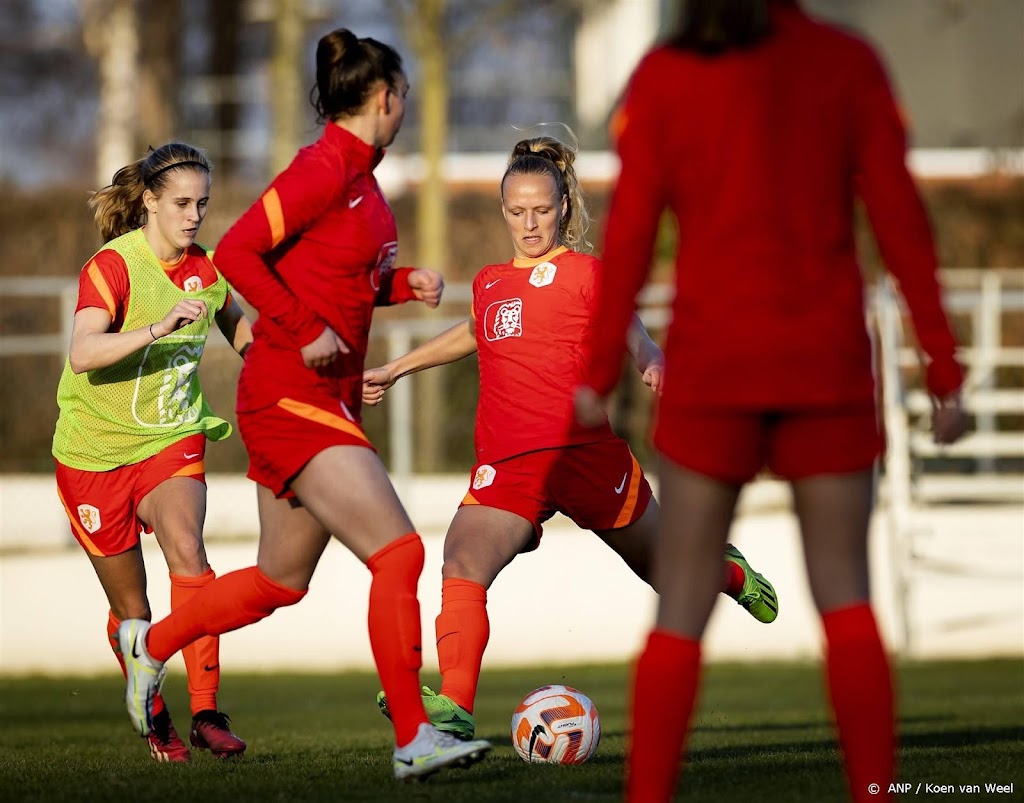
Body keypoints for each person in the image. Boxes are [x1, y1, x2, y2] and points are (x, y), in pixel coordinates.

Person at [573, 2, 970, 801]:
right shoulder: (845, 62)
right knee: (846, 597)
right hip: (823, 366)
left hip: (715, 368)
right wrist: (943, 366)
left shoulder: (668, 74)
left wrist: (594, 379)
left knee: (682, 602)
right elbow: (900, 222)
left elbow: (630, 238)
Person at [114, 29, 491, 780]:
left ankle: (149, 649)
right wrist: (305, 327)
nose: (405, 108)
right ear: (386, 99)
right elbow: (238, 252)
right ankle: (415, 735)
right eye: (404, 97)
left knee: (279, 582)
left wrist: (398, 282)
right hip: (290, 392)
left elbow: (336, 275)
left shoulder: (366, 177)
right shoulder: (324, 167)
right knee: (401, 550)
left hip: (322, 395)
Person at [364, 133, 779, 742]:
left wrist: (650, 355)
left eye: (541, 210)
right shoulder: (488, 283)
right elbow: (474, 332)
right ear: (502, 210)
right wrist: (397, 367)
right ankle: (454, 704)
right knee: (462, 562)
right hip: (508, 465)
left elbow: (627, 320)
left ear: (563, 207)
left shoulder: (586, 273)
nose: (529, 223)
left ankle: (731, 575)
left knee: (670, 573)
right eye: (516, 211)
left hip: (585, 457)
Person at [52, 141, 253, 762]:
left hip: (172, 438)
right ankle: (156, 714)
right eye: (182, 203)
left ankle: (207, 711)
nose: (194, 216)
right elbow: (83, 353)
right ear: (149, 202)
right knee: (133, 614)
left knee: (188, 550)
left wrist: (328, 379)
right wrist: (158, 327)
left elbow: (253, 342)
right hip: (93, 455)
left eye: (203, 204)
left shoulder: (209, 272)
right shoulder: (113, 267)